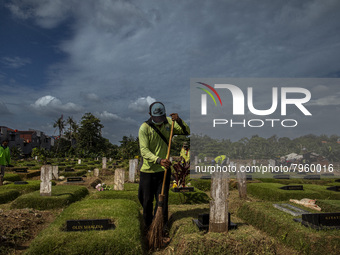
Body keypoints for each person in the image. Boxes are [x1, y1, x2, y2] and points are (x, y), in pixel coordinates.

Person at [138, 102, 190, 230]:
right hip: (148, 171)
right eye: (157, 119)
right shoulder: (144, 128)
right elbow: (144, 151)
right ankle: (148, 228)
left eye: (161, 118)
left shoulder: (169, 123)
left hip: (163, 171)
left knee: (163, 202)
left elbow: (186, 131)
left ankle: (161, 227)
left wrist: (179, 120)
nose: (160, 122)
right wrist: (158, 160)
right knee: (146, 201)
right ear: (150, 115)